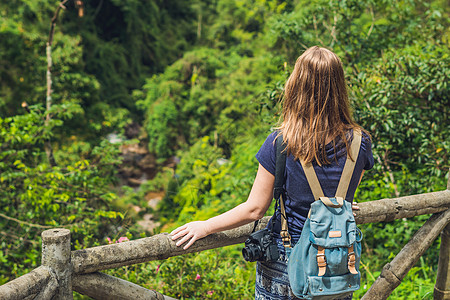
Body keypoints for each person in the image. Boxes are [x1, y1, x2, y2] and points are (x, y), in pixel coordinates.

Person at [170, 46, 374, 299]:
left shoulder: (282, 142)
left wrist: (205, 226)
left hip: (287, 262)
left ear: (297, 85)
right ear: (339, 87)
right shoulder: (359, 141)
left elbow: (255, 209)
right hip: (336, 262)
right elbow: (343, 195)